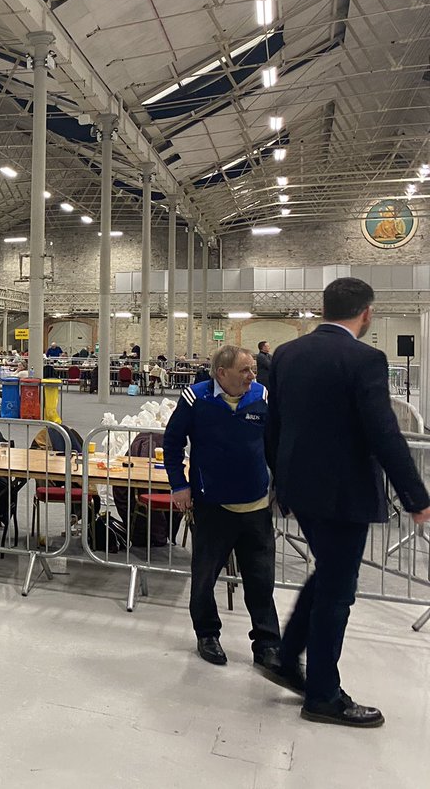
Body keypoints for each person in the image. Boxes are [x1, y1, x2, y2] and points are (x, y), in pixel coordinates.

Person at [265, 278, 430, 728]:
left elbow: (272, 426)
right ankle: (323, 695)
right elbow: (384, 434)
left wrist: (281, 481)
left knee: (328, 575)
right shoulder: (366, 358)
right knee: (337, 594)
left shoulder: (287, 354)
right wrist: (416, 497)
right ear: (367, 313)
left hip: (300, 491)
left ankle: (285, 658)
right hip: (344, 496)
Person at [164, 345, 283, 675]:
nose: (251, 376)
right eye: (245, 370)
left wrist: (280, 487)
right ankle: (207, 635)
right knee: (204, 578)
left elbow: (275, 445)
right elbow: (172, 444)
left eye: (253, 370)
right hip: (212, 505)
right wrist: (179, 485)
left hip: (256, 506)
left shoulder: (261, 396)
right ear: (222, 373)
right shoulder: (195, 398)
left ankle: (268, 644)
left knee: (261, 581)